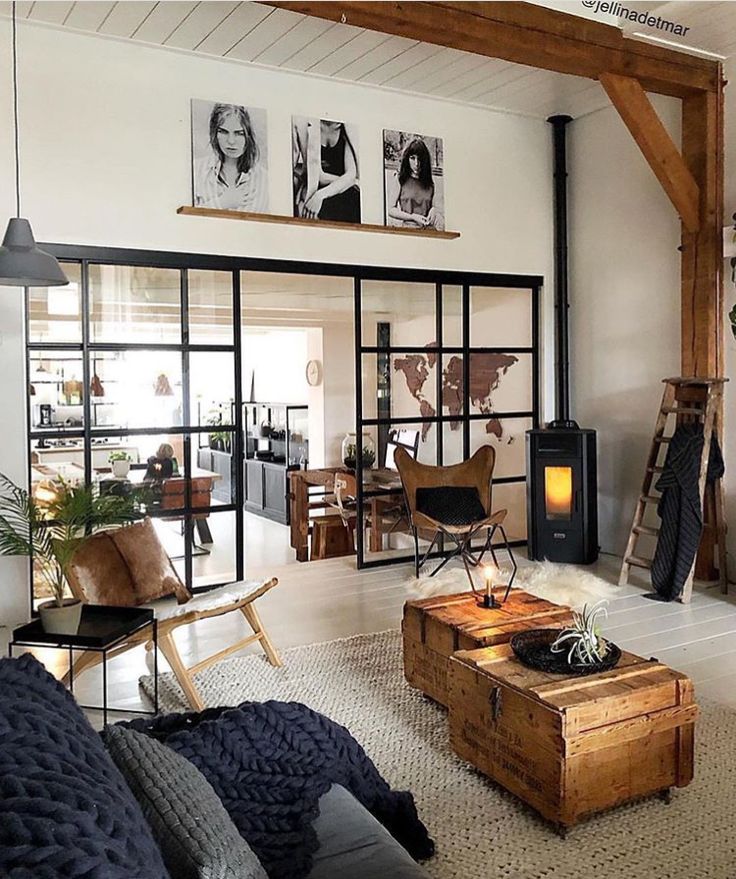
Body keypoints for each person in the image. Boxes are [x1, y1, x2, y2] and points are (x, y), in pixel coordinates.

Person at [194, 103, 268, 212]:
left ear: (248, 135)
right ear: (214, 133)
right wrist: (222, 202)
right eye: (223, 132)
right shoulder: (197, 170)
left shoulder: (264, 179)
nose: (231, 141)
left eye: (239, 133)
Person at [292, 118, 361, 223]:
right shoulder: (303, 124)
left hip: (342, 193)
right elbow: (319, 177)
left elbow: (351, 174)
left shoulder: (348, 128)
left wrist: (320, 196)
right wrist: (349, 182)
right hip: (315, 189)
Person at [386, 137, 443, 230]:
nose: (417, 163)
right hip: (409, 230)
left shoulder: (430, 182)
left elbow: (433, 206)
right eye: (412, 158)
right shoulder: (400, 179)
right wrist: (412, 217)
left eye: (420, 159)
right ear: (407, 159)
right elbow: (391, 210)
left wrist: (433, 210)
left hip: (429, 231)